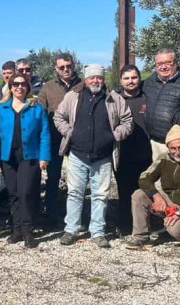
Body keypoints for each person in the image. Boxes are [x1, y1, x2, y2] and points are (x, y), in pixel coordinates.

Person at [54, 64, 132, 248]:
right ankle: (71, 229)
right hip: (77, 155)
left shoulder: (114, 98)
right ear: (85, 79)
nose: (95, 81)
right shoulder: (73, 96)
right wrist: (69, 132)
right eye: (92, 78)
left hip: (103, 157)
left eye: (99, 77)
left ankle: (97, 232)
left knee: (100, 195)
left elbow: (128, 120)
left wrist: (115, 135)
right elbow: (58, 116)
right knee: (74, 194)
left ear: (103, 80)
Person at [126, 125, 180, 254]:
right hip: (170, 202)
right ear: (168, 148)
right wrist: (156, 196)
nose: (177, 152)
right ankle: (141, 238)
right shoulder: (164, 158)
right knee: (138, 195)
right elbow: (144, 178)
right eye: (173, 148)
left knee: (175, 228)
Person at [0, 74, 51, 248]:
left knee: (26, 193)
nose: (19, 87)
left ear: (28, 87)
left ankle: (28, 231)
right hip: (8, 157)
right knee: (13, 193)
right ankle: (16, 229)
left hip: (30, 157)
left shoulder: (36, 108)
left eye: (23, 84)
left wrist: (44, 156)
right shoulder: (2, 109)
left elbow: (44, 133)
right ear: (10, 87)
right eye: (15, 84)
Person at [37, 52, 81, 227]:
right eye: (61, 67)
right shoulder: (48, 87)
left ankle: (77, 216)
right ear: (56, 68)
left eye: (68, 66)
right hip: (55, 139)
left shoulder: (83, 85)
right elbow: (40, 111)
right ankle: (51, 214)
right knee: (53, 178)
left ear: (73, 66)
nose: (65, 70)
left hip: (79, 139)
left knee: (77, 180)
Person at [142, 49, 180, 158]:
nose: (163, 67)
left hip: (177, 145)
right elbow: (134, 87)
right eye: (159, 64)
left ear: (175, 63)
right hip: (154, 143)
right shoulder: (150, 81)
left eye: (168, 63)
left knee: (178, 174)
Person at [113, 65, 153, 233]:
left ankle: (146, 226)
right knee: (125, 191)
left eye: (134, 77)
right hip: (123, 154)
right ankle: (124, 225)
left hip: (146, 154)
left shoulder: (148, 97)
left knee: (146, 191)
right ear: (121, 80)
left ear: (139, 78)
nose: (131, 81)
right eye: (127, 78)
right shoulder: (114, 100)